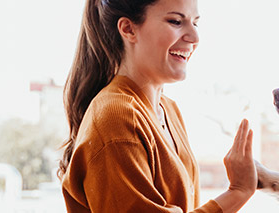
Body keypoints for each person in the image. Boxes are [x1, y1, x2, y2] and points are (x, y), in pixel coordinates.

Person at [58, 0, 257, 212]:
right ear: (128, 29)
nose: (195, 38)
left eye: (195, 23)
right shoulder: (116, 119)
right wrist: (237, 192)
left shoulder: (168, 110)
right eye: (176, 21)